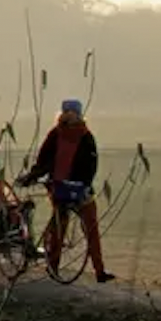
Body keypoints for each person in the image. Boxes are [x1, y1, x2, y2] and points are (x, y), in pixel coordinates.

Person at [17, 99, 114, 284]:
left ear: (79, 114)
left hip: (80, 189)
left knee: (91, 228)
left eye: (72, 112)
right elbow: (44, 159)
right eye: (67, 111)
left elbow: (91, 165)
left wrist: (84, 184)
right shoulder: (55, 135)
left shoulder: (86, 137)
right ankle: (53, 267)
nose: (69, 114)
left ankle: (99, 270)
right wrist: (33, 175)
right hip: (59, 188)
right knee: (59, 227)